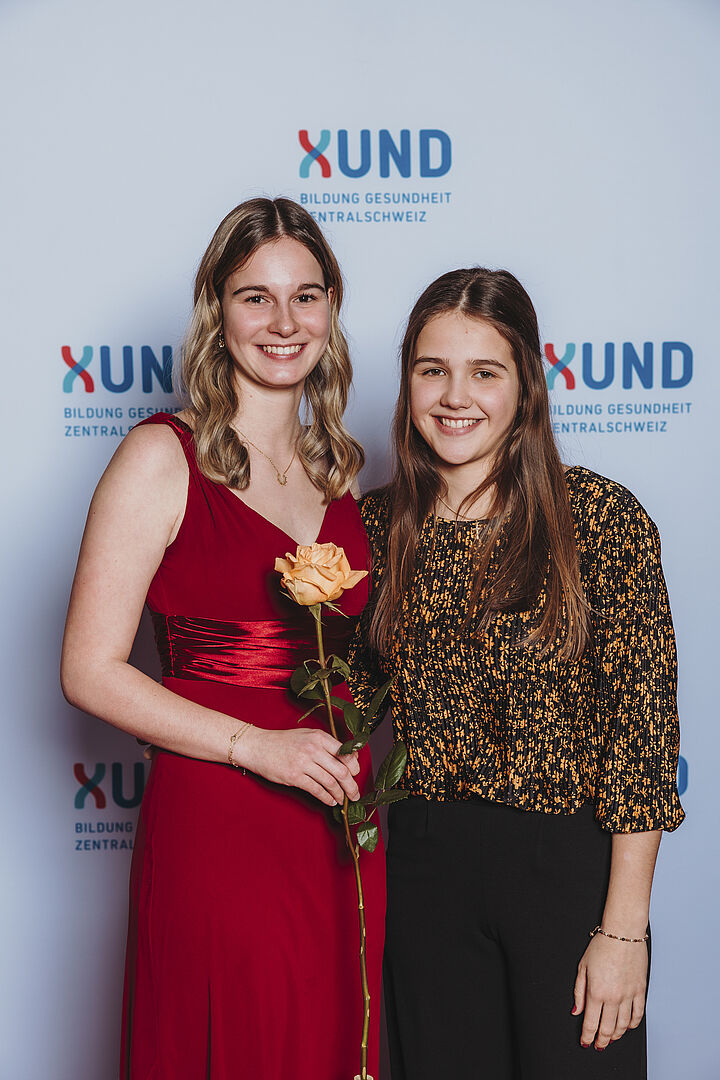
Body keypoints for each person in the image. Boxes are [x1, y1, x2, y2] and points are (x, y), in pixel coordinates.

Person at [61, 197, 385, 1080]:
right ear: (217, 308)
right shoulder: (160, 457)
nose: (284, 323)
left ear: (331, 308)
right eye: (255, 297)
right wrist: (255, 747)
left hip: (337, 827)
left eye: (306, 296)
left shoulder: (343, 471)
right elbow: (87, 669)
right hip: (220, 818)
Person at [348, 267, 684, 1080]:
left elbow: (640, 739)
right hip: (424, 872)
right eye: (432, 369)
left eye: (484, 372)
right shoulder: (372, 526)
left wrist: (624, 930)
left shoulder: (598, 518)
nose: (454, 396)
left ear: (527, 384)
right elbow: (341, 708)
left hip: (566, 872)